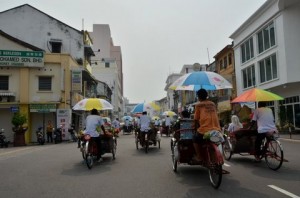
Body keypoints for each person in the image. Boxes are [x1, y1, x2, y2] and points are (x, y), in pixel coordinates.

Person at [193, 88, 221, 162]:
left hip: (205, 131)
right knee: (214, 141)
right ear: (207, 95)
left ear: (198, 97)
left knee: (195, 139)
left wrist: (195, 129)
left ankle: (199, 157)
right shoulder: (212, 104)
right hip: (216, 129)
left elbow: (196, 119)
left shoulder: (199, 105)